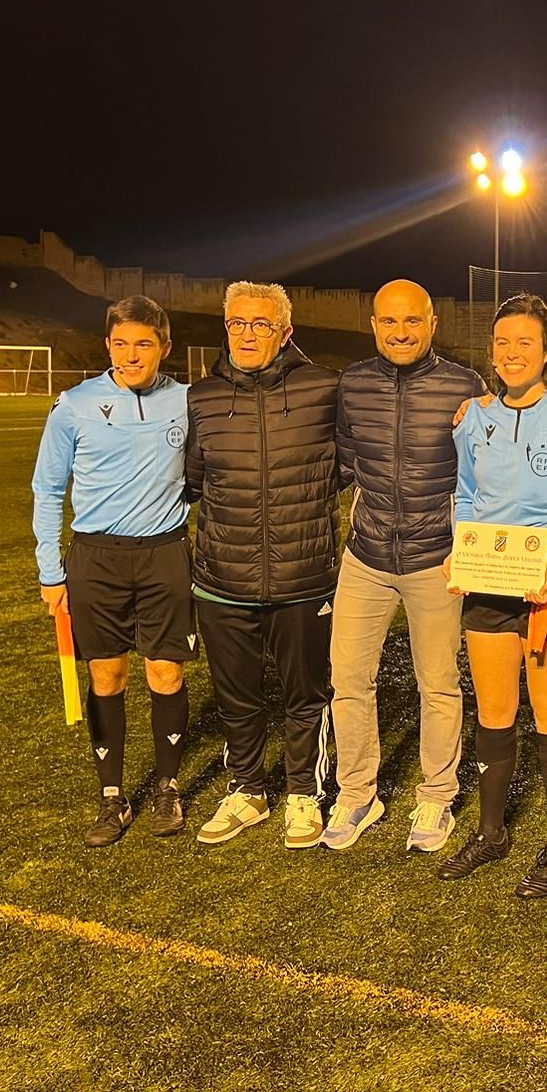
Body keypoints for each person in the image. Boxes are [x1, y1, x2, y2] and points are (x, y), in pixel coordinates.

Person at [438, 293, 547, 898]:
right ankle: (491, 832)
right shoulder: (473, 419)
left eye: (525, 343)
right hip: (486, 579)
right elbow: (462, 495)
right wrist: (460, 545)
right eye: (503, 343)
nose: (512, 354)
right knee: (494, 712)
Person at [323, 279, 484, 853]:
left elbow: (484, 473)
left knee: (438, 684)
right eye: (389, 322)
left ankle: (436, 796)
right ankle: (357, 794)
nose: (400, 332)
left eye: (411, 321)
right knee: (348, 680)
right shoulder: (353, 384)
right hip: (364, 557)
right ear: (373, 325)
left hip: (434, 561)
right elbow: (344, 459)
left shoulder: (466, 386)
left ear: (432, 323)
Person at [31, 294, 195, 846]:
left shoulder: (187, 401)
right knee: (108, 675)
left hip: (165, 552)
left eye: (143, 344)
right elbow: (48, 489)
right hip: (95, 558)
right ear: (107, 346)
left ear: (164, 349)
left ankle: (168, 787)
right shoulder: (73, 405)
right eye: (120, 343)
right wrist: (50, 571)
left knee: (166, 673)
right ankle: (112, 796)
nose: (131, 354)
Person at [187, 281, 341, 849]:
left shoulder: (325, 388)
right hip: (223, 578)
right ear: (225, 328)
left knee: (307, 692)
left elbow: (348, 464)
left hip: (304, 576)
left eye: (261, 324)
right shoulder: (201, 397)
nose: (248, 334)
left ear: (286, 332)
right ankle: (248, 787)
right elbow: (193, 480)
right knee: (238, 694)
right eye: (237, 324)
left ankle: (304, 792)